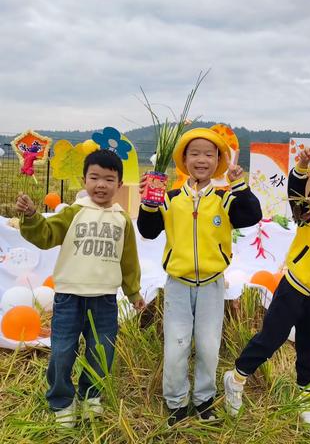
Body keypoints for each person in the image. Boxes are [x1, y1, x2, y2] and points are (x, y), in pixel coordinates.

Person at [223, 147, 310, 426]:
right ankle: (236, 378)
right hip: (293, 289)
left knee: (309, 350)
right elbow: (295, 189)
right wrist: (301, 166)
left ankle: (306, 400)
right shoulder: (306, 214)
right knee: (270, 339)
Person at [137, 127, 262, 425]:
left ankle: (204, 399)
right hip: (178, 285)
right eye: (194, 153)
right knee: (176, 345)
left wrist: (239, 185)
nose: (201, 159)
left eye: (209, 154)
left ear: (218, 160)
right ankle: (177, 403)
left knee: (208, 346)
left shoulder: (223, 199)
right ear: (183, 159)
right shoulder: (170, 199)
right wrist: (149, 200)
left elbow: (252, 215)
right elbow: (148, 230)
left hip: (211, 285)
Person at [16, 149, 145, 428]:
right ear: (84, 180)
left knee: (101, 351)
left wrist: (133, 292)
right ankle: (61, 400)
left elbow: (129, 259)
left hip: (105, 300)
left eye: (109, 179)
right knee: (62, 350)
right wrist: (31, 217)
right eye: (94, 177)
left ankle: (91, 396)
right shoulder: (74, 213)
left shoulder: (121, 219)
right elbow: (46, 234)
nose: (101, 185)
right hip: (69, 297)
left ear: (119, 185)